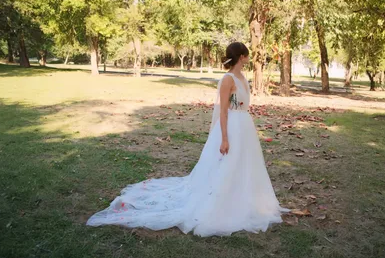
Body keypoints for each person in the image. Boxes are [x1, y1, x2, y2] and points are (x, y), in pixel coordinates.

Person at [87, 42, 288, 237]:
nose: (249, 58)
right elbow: (223, 111)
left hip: (245, 126)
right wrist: (224, 138)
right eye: (246, 55)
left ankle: (245, 198)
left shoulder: (243, 77)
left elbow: (243, 104)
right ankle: (221, 202)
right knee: (226, 164)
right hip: (231, 126)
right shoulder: (227, 79)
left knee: (244, 164)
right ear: (241, 56)